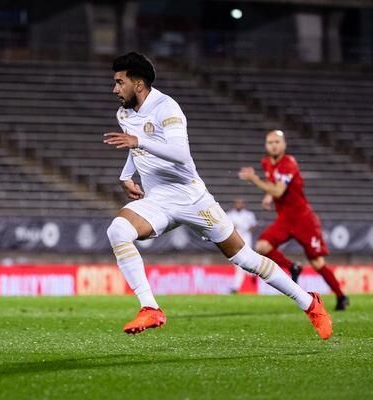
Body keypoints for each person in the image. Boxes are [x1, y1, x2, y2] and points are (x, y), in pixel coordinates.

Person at [103, 52, 332, 340]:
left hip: (192, 198)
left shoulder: (166, 107)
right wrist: (127, 174)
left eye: (119, 82)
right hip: (158, 200)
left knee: (244, 257)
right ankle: (150, 307)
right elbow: (135, 150)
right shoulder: (124, 113)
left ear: (138, 84)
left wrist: (139, 141)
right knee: (118, 230)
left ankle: (310, 303)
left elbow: (180, 153)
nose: (115, 89)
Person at [238, 130, 349, 311]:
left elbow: (279, 191)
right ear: (266, 145)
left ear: (284, 145)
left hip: (304, 220)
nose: (273, 145)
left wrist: (254, 180)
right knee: (262, 247)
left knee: (317, 263)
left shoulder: (288, 163)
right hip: (285, 219)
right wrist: (268, 195)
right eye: (270, 142)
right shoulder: (266, 162)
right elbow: (274, 185)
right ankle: (293, 267)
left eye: (277, 142)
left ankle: (341, 296)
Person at [227, 198, 258, 293]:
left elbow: (253, 225)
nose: (239, 205)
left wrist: (248, 229)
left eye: (240, 203)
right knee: (239, 264)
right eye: (237, 203)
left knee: (242, 262)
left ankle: (235, 287)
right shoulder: (229, 214)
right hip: (234, 240)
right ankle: (253, 273)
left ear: (244, 204)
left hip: (246, 240)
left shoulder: (249, 215)